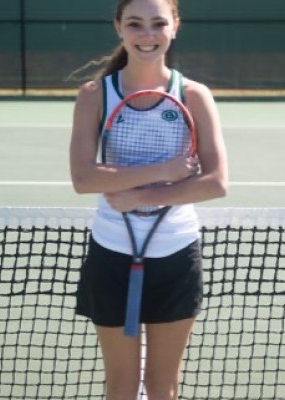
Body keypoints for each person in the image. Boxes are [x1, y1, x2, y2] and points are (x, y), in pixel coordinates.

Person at [69, 0, 228, 399]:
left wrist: (139, 195)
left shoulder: (194, 95)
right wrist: (164, 171)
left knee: (162, 387)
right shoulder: (94, 95)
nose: (147, 35)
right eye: (135, 24)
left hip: (176, 254)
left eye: (158, 24)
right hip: (111, 254)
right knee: (121, 388)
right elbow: (84, 178)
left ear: (175, 27)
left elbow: (215, 182)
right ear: (118, 27)